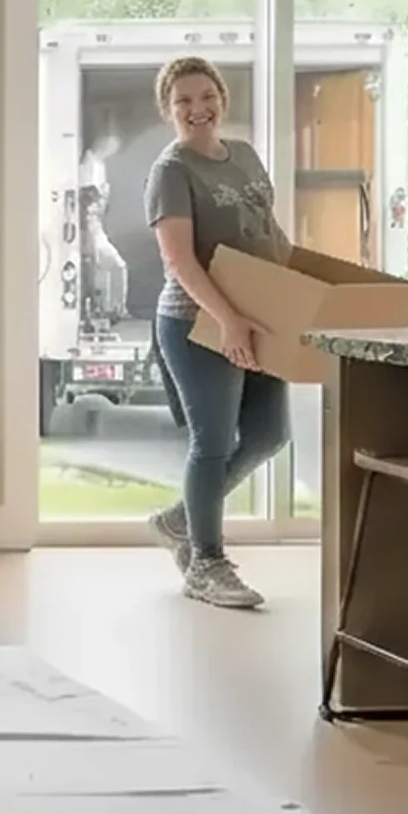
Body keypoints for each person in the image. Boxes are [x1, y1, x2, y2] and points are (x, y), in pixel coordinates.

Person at [143, 56, 291, 609]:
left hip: (258, 314)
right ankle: (206, 563)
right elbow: (179, 260)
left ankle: (180, 519)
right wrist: (227, 320)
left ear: (221, 99)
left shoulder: (246, 157)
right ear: (168, 110)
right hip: (195, 321)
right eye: (182, 100)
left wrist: (294, 293)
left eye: (205, 96)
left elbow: (268, 231)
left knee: (269, 433)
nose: (196, 108)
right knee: (213, 442)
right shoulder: (171, 171)